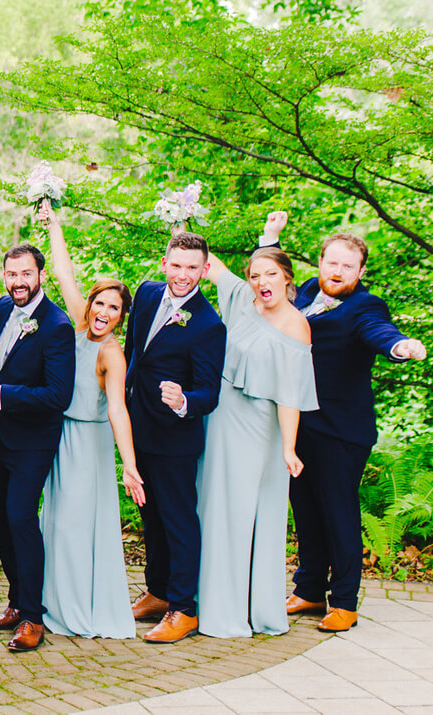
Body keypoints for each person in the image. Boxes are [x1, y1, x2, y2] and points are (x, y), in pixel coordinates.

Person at [276, 216, 426, 633]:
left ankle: (343, 602)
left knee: (338, 514)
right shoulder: (307, 292)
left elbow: (379, 332)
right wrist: (270, 240)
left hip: (341, 432)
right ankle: (308, 589)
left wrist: (401, 346)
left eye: (346, 266)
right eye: (331, 263)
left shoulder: (366, 307)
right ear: (320, 263)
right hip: (299, 427)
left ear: (360, 272)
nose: (336, 271)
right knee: (304, 511)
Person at [193, 220, 316, 639]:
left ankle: (248, 608)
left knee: (246, 512)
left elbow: (290, 396)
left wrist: (288, 448)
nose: (262, 282)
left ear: (288, 280)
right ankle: (211, 602)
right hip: (220, 419)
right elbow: (209, 267)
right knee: (214, 506)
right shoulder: (242, 300)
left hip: (258, 428)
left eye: (271, 275)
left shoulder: (296, 326)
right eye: (255, 275)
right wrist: (180, 219)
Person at [38, 203, 140, 640]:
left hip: (89, 445)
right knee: (55, 523)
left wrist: (129, 466)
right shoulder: (79, 326)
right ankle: (53, 603)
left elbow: (118, 409)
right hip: (59, 437)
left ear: (122, 316)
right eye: (100, 303)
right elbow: (63, 273)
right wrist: (54, 224)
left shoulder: (111, 354)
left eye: (113, 308)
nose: (102, 312)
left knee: (76, 527)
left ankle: (80, 610)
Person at [123, 231, 226, 644]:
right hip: (138, 428)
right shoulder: (147, 294)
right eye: (177, 265)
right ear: (165, 263)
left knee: (178, 521)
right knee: (150, 518)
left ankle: (184, 609)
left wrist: (184, 399)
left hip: (174, 438)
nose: (183, 275)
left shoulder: (208, 325)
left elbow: (209, 392)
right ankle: (158, 591)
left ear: (204, 270)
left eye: (192, 268)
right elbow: (135, 354)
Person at [0, 243, 75, 652]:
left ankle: (33, 617)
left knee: (20, 518)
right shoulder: (3, 308)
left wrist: (4, 392)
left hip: (33, 441)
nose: (18, 282)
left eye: (25, 275)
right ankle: (16, 602)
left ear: (41, 275)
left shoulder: (56, 325)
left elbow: (58, 395)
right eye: (12, 274)